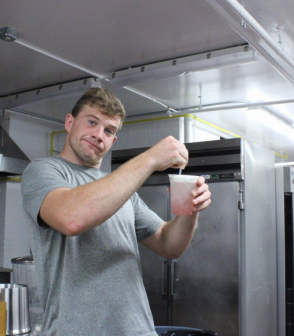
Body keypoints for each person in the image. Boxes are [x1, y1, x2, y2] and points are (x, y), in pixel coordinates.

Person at [20, 88, 211, 336]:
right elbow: (72, 218)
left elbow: (169, 244)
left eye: (109, 130)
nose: (99, 135)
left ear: (113, 141)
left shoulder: (123, 191)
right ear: (69, 122)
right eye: (91, 122)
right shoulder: (44, 171)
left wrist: (190, 210)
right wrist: (151, 158)